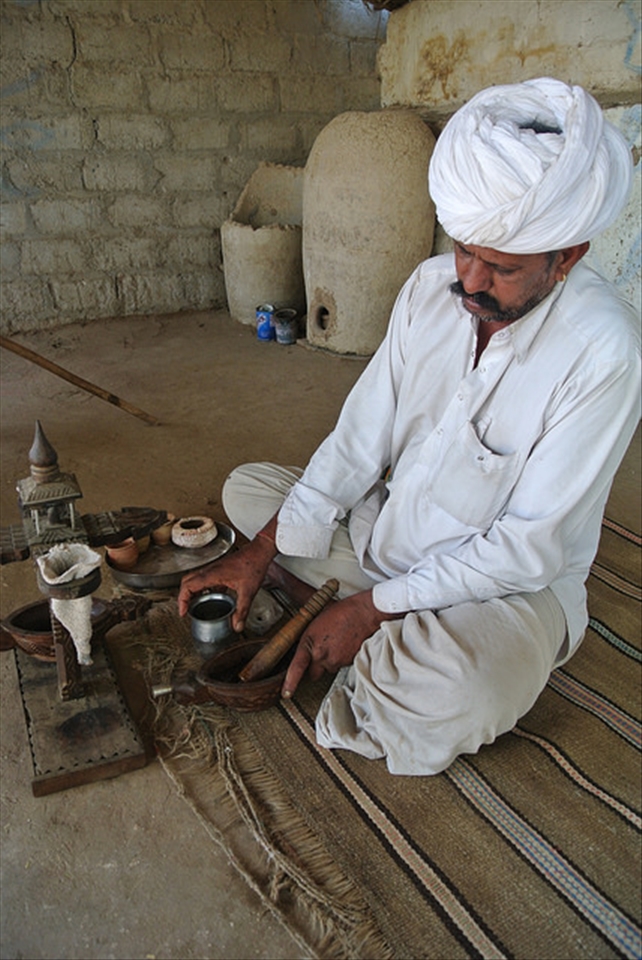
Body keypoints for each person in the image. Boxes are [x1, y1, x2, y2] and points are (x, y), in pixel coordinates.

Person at [178, 78, 641, 776]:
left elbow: (526, 548)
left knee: (464, 688)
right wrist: (261, 551)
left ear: (567, 257)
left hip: (512, 586)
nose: (472, 282)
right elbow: (361, 438)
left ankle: (347, 620)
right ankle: (349, 616)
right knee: (249, 491)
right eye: (463, 249)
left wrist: (371, 609)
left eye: (504, 269)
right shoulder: (430, 289)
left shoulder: (605, 351)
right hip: (389, 534)